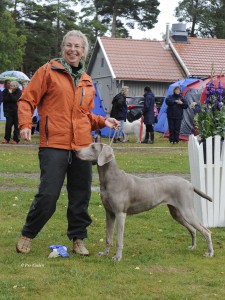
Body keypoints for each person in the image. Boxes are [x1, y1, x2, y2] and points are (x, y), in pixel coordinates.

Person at [16, 30, 120, 255]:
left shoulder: (87, 80)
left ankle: (78, 238)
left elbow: (85, 115)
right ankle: (28, 233)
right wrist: (25, 124)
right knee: (48, 195)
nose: (73, 50)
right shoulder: (47, 71)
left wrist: (104, 121)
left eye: (78, 47)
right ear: (63, 47)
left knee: (81, 195)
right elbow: (27, 100)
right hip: (53, 143)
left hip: (82, 146)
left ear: (84, 52)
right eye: (69, 45)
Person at [2, 80, 21, 144]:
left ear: (15, 86)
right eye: (10, 85)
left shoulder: (19, 91)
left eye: (12, 86)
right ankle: (6, 139)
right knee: (8, 125)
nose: (10, 87)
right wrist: (9, 94)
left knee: (16, 126)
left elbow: (15, 99)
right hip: (8, 111)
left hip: (16, 111)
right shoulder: (5, 91)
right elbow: (5, 100)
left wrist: (10, 94)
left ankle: (16, 139)